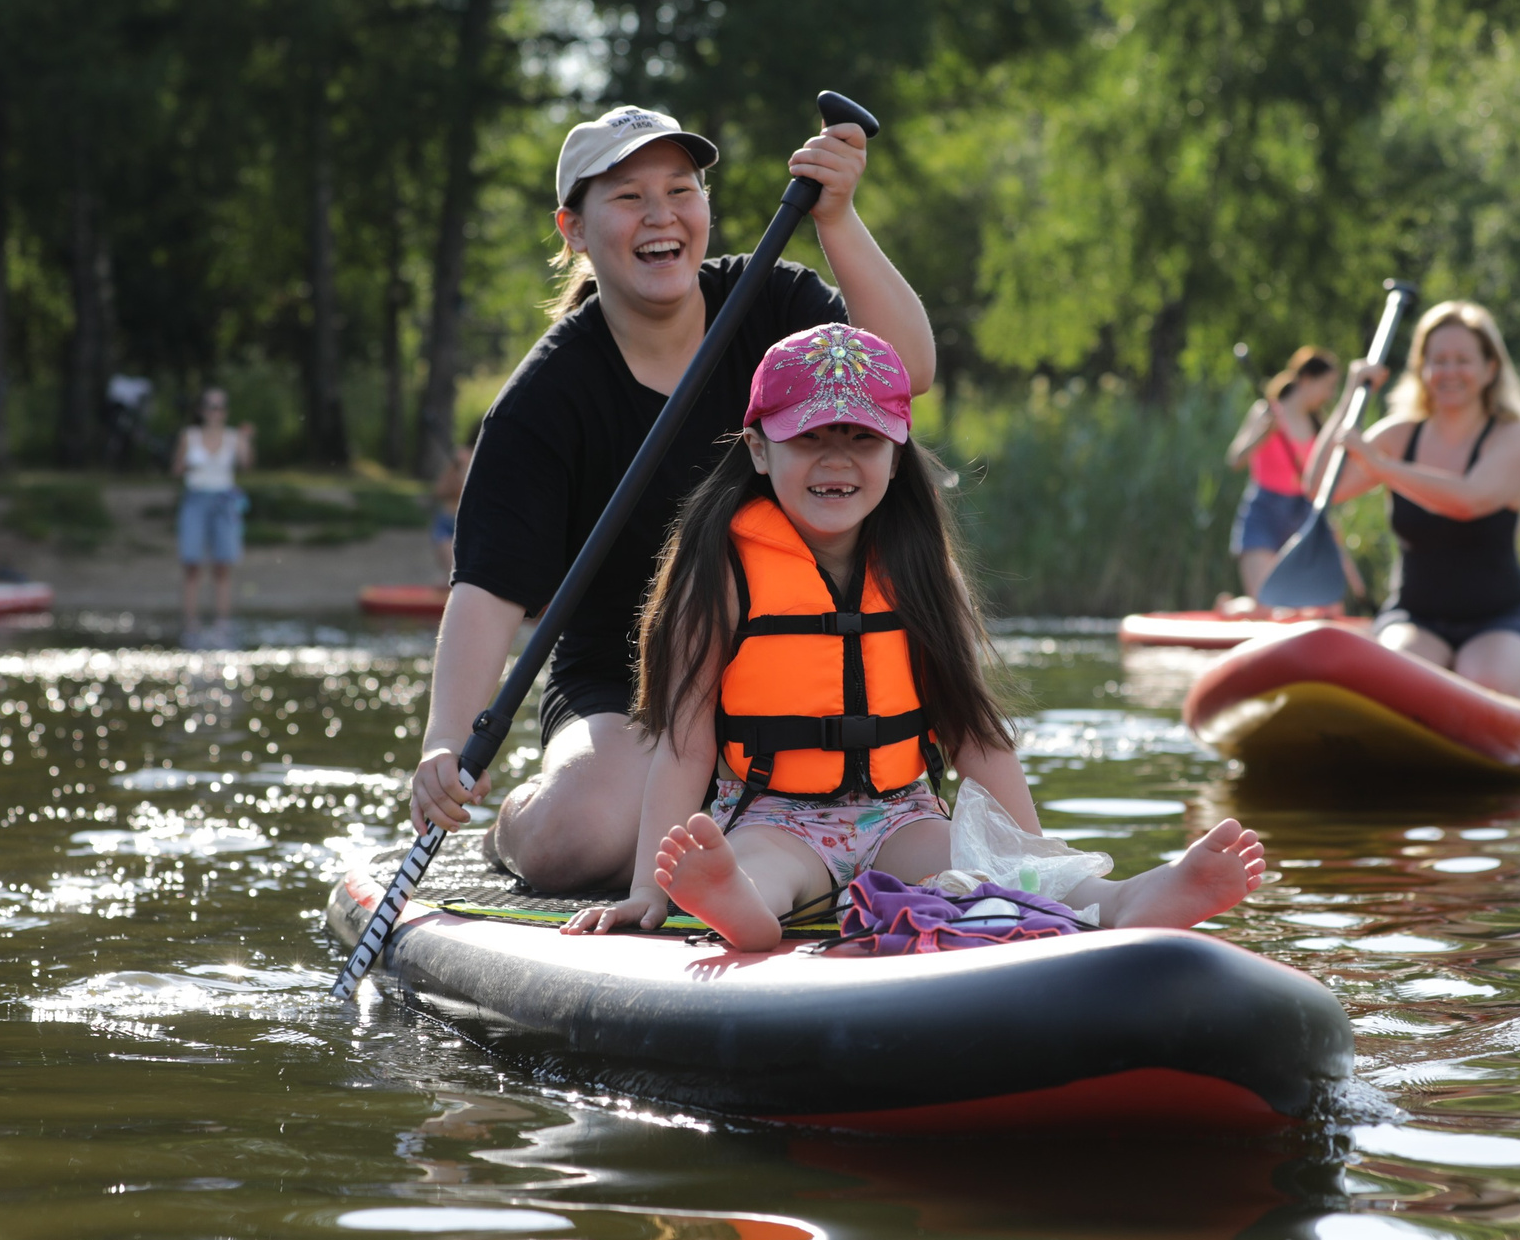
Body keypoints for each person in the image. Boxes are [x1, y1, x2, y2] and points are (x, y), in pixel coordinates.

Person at [539, 325, 1265, 949]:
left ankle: (1128, 900)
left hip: (902, 813)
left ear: (897, 450)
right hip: (776, 814)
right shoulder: (721, 566)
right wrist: (647, 889)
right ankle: (742, 910)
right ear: (760, 451)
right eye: (810, 438)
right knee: (758, 866)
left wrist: (1035, 861)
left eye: (862, 439)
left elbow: (977, 737)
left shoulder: (919, 568)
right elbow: (685, 738)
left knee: (991, 870)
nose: (836, 460)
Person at [412, 104, 938, 894]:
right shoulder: (542, 400)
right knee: (583, 836)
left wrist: (838, 219)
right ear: (575, 229)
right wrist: (445, 743)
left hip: (790, 663)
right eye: (627, 196)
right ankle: (516, 827)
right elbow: (488, 586)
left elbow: (909, 370)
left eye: (680, 188)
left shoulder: (777, 302)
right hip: (629, 689)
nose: (661, 215)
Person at [1312, 300, 1520, 699]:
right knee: (1399, 679)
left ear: (1490, 369)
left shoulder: (1512, 439)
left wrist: (1383, 468)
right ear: (1422, 369)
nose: (1449, 371)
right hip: (1416, 619)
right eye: (1438, 360)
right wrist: (1349, 401)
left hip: (1499, 619)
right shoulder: (1400, 435)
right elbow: (1322, 487)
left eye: (1463, 360)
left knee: (1483, 681)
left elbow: (1468, 501)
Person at [1223, 345, 1364, 602]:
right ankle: (1233, 607)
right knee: (1265, 601)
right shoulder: (1266, 412)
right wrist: (1262, 436)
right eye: (1327, 385)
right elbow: (1235, 459)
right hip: (1265, 509)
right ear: (1307, 380)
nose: (1329, 394)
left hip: (1303, 511)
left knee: (1310, 602)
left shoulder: (1319, 424)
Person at [171, 387, 253, 632]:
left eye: (219, 407)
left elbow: (247, 465)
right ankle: (190, 622)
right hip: (195, 499)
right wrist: (189, 465)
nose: (214, 412)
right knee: (192, 564)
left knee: (222, 566)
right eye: (210, 406)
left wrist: (247, 440)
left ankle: (222, 622)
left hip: (224, 502)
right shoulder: (189, 436)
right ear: (201, 410)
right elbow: (176, 469)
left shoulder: (234, 437)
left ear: (225, 411)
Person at [430, 424, 475, 577]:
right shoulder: (460, 458)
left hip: (473, 526)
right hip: (448, 524)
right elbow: (439, 491)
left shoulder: (491, 460)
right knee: (454, 575)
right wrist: (457, 468)